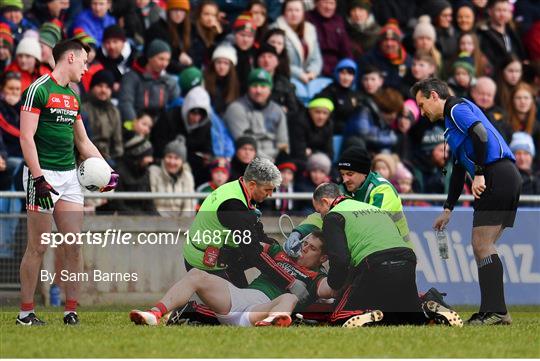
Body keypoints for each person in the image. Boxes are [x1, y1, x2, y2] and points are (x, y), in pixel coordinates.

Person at [16, 39, 118, 326]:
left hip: (70, 178)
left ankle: (71, 310)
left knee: (73, 244)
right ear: (70, 58)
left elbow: (83, 142)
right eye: (85, 61)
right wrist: (38, 178)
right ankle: (25, 313)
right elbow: (26, 138)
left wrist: (108, 172)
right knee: (38, 246)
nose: (87, 67)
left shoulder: (73, 96)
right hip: (43, 176)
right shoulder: (38, 89)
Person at [411, 77, 521, 325]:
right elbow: (459, 169)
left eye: (421, 104)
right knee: (484, 245)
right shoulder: (451, 123)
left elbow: (481, 134)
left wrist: (480, 172)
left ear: (434, 96)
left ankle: (496, 311)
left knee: (482, 244)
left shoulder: (456, 108)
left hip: (496, 174)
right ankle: (494, 310)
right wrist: (448, 208)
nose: (421, 111)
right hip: (504, 175)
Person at [131, 232, 362, 328]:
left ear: (322, 257)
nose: (303, 249)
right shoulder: (279, 252)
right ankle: (155, 313)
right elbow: (250, 244)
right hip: (241, 299)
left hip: (264, 308)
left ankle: (272, 323)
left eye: (311, 248)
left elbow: (331, 290)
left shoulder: (316, 277)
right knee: (196, 275)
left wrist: (349, 263)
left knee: (290, 296)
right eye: (304, 243)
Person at [311, 182, 462, 326]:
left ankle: (366, 313)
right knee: (406, 317)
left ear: (325, 202)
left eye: (319, 212)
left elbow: (341, 260)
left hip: (375, 264)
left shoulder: (333, 216)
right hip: (406, 261)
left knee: (337, 317)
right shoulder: (372, 208)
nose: (321, 216)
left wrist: (334, 285)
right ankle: (427, 304)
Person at [182, 157, 312, 303]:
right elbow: (253, 253)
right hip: (207, 263)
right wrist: (290, 282)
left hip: (217, 254)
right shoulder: (234, 207)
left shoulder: (238, 189)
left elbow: (258, 234)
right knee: (242, 309)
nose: (270, 194)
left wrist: (279, 250)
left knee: (246, 301)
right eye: (267, 190)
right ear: (252, 185)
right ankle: (190, 310)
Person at [284, 146, 411, 256]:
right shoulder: (344, 189)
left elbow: (372, 229)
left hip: (397, 253)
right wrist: (299, 232)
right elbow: (322, 215)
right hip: (371, 255)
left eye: (350, 174)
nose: (345, 179)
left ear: (364, 172)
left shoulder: (382, 190)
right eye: (342, 174)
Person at [224, 68, 289, 160]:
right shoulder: (236, 109)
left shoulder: (277, 110)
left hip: (274, 161)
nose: (258, 91)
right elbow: (244, 144)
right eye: (254, 86)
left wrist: (281, 160)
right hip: (247, 161)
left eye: (263, 86)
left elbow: (283, 142)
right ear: (248, 88)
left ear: (270, 89)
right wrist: (268, 162)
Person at [81, 69, 123, 164]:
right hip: (86, 157)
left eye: (107, 87)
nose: (103, 90)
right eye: (100, 86)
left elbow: (117, 141)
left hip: (109, 157)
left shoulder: (114, 111)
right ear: (92, 87)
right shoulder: (83, 109)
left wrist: (116, 159)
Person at [149, 136, 195, 216]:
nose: (172, 162)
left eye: (176, 158)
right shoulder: (154, 172)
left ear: (182, 161)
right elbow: (151, 203)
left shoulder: (187, 176)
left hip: (180, 224)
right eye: (169, 157)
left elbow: (188, 206)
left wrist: (182, 224)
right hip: (157, 221)